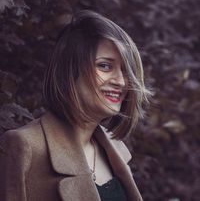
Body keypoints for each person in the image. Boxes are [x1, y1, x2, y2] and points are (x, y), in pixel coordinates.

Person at [0, 10, 150, 201]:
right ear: (70, 71)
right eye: (105, 66)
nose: (121, 81)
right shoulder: (24, 147)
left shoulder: (115, 150)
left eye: (125, 70)